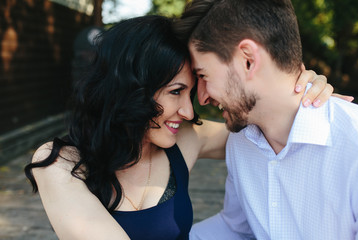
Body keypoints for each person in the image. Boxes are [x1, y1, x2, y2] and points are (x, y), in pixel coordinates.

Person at [25, 15, 334, 240]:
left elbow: (272, 127)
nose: (188, 111)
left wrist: (298, 90)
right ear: (129, 90)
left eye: (190, 92)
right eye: (175, 92)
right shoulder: (59, 162)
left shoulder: (185, 140)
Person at [174, 0, 358, 239]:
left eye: (203, 75)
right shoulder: (241, 141)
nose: (201, 96)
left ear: (248, 59)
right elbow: (236, 229)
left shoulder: (353, 146)